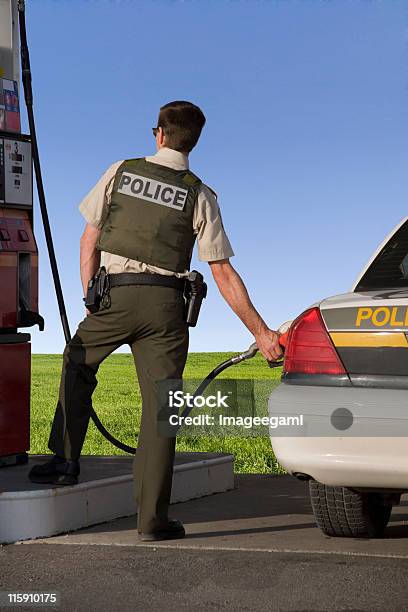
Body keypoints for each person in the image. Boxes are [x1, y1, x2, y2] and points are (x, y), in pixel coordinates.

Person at [28, 101, 282, 541]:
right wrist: (261, 333)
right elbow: (222, 271)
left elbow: (90, 235)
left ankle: (65, 462)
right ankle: (152, 521)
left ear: (158, 134)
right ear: (192, 142)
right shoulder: (200, 193)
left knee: (76, 362)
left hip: (116, 295)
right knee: (162, 407)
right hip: (167, 308)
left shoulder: (121, 171)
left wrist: (92, 294)